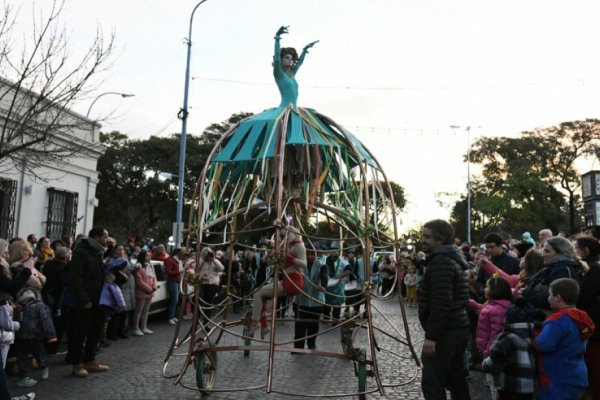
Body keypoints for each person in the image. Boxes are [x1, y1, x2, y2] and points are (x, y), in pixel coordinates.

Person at [418, 219, 471, 400]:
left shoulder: (441, 261)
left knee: (433, 383)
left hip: (446, 332)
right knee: (456, 380)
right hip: (456, 328)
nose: (422, 240)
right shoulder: (448, 258)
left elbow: (441, 302)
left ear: (440, 239)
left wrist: (432, 337)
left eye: (427, 237)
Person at [534, 278, 595, 400]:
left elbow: (543, 345)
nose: (548, 298)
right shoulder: (581, 317)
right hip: (577, 373)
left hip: (557, 376)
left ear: (558, 297)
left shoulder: (557, 320)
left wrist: (534, 334)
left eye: (550, 294)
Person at [65, 227, 110, 378]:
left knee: (95, 330)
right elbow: (76, 278)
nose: (107, 240)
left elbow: (98, 274)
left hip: (98, 299)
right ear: (96, 237)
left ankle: (90, 360)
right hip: (85, 300)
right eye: (105, 237)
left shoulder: (97, 252)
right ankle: (77, 364)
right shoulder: (80, 252)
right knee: (80, 332)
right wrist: (84, 299)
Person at [481, 299, 544, 400]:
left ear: (507, 319)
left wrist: (485, 363)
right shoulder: (534, 335)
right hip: (529, 388)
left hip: (509, 387)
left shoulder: (507, 338)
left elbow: (493, 364)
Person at [250, 223, 307, 333]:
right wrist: (270, 253)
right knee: (262, 296)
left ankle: (255, 322)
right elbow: (267, 260)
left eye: (284, 235)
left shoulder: (299, 245)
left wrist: (289, 257)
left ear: (291, 233)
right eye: (281, 236)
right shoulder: (288, 246)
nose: (283, 238)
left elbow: (304, 264)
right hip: (286, 279)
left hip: (293, 280)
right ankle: (264, 325)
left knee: (258, 292)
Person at [467, 277, 512, 400]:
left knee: (494, 384)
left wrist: (487, 352)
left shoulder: (497, 309)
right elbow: (481, 308)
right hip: (489, 351)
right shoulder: (494, 304)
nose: (485, 289)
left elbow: (496, 334)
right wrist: (469, 301)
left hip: (492, 353)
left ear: (495, 290)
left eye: (487, 286)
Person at [520, 236, 581, 312]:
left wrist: (527, 292)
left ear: (561, 253)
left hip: (553, 319)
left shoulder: (562, 271)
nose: (542, 254)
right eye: (543, 250)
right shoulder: (553, 267)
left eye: (547, 251)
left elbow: (557, 300)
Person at [573, 235, 600, 400]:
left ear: (586, 250)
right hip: (592, 324)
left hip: (594, 325)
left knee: (595, 367)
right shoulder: (590, 267)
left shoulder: (594, 269)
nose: (575, 251)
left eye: (577, 247)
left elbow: (584, 298)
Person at [14, 289, 56, 387]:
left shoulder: (39, 306)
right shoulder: (18, 308)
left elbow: (47, 321)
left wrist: (51, 335)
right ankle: (23, 377)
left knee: (40, 355)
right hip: (20, 338)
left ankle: (44, 366)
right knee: (21, 359)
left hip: (35, 337)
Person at [294, 244, 328, 351]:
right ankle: (298, 346)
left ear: (316, 254)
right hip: (301, 300)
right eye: (307, 254)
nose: (309, 256)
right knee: (300, 324)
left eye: (312, 254)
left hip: (316, 301)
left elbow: (324, 276)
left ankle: (311, 344)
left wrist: (323, 286)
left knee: (313, 325)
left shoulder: (322, 265)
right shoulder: (299, 264)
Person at [132, 250, 157, 336]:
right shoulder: (138, 267)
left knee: (146, 311)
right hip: (141, 292)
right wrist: (149, 288)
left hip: (150, 292)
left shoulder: (149, 266)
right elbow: (139, 281)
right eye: (147, 256)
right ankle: (135, 328)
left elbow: (153, 278)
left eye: (149, 255)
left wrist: (154, 286)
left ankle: (144, 327)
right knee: (138, 311)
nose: (149, 257)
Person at [197, 247, 225, 325]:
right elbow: (197, 268)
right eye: (205, 253)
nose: (207, 255)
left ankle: (206, 323)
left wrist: (213, 259)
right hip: (202, 283)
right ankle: (196, 321)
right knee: (199, 302)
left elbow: (221, 268)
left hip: (212, 283)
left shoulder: (214, 260)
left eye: (208, 253)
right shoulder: (200, 260)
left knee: (209, 303)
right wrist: (203, 259)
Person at [164, 248, 183, 325]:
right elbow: (168, 271)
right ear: (177, 253)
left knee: (176, 300)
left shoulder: (176, 261)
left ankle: (173, 316)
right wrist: (178, 271)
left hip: (177, 282)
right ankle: (170, 317)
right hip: (172, 282)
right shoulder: (171, 260)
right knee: (174, 299)